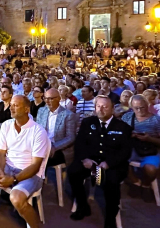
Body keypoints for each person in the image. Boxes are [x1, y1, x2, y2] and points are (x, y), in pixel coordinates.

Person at [0, 95, 50, 228]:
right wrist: (1, 172)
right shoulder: (7, 125)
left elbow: (36, 166)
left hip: (30, 173)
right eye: (11, 105)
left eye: (15, 105)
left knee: (16, 198)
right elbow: (1, 153)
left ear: (26, 109)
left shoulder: (38, 131)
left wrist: (12, 179)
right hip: (7, 167)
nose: (11, 108)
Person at [68, 95, 132, 228]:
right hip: (90, 162)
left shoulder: (123, 127)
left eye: (105, 107)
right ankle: (83, 206)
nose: (101, 110)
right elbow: (80, 144)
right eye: (98, 106)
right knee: (73, 171)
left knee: (111, 181)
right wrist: (85, 159)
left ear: (113, 109)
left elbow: (125, 152)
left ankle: (110, 217)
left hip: (112, 165)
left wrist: (109, 163)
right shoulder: (87, 123)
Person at [122, 95, 160, 202]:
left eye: (142, 107)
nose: (139, 110)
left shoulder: (157, 120)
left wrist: (149, 139)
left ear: (147, 105)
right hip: (132, 149)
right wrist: (128, 135)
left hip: (151, 150)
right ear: (131, 107)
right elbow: (119, 134)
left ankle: (146, 185)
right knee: (118, 162)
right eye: (136, 108)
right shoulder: (127, 117)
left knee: (151, 169)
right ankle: (136, 182)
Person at [36, 89, 77, 166]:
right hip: (43, 146)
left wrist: (54, 147)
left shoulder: (68, 115)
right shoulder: (41, 111)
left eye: (51, 99)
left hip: (59, 148)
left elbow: (71, 137)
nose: (47, 101)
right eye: (45, 98)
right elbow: (37, 130)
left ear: (58, 99)